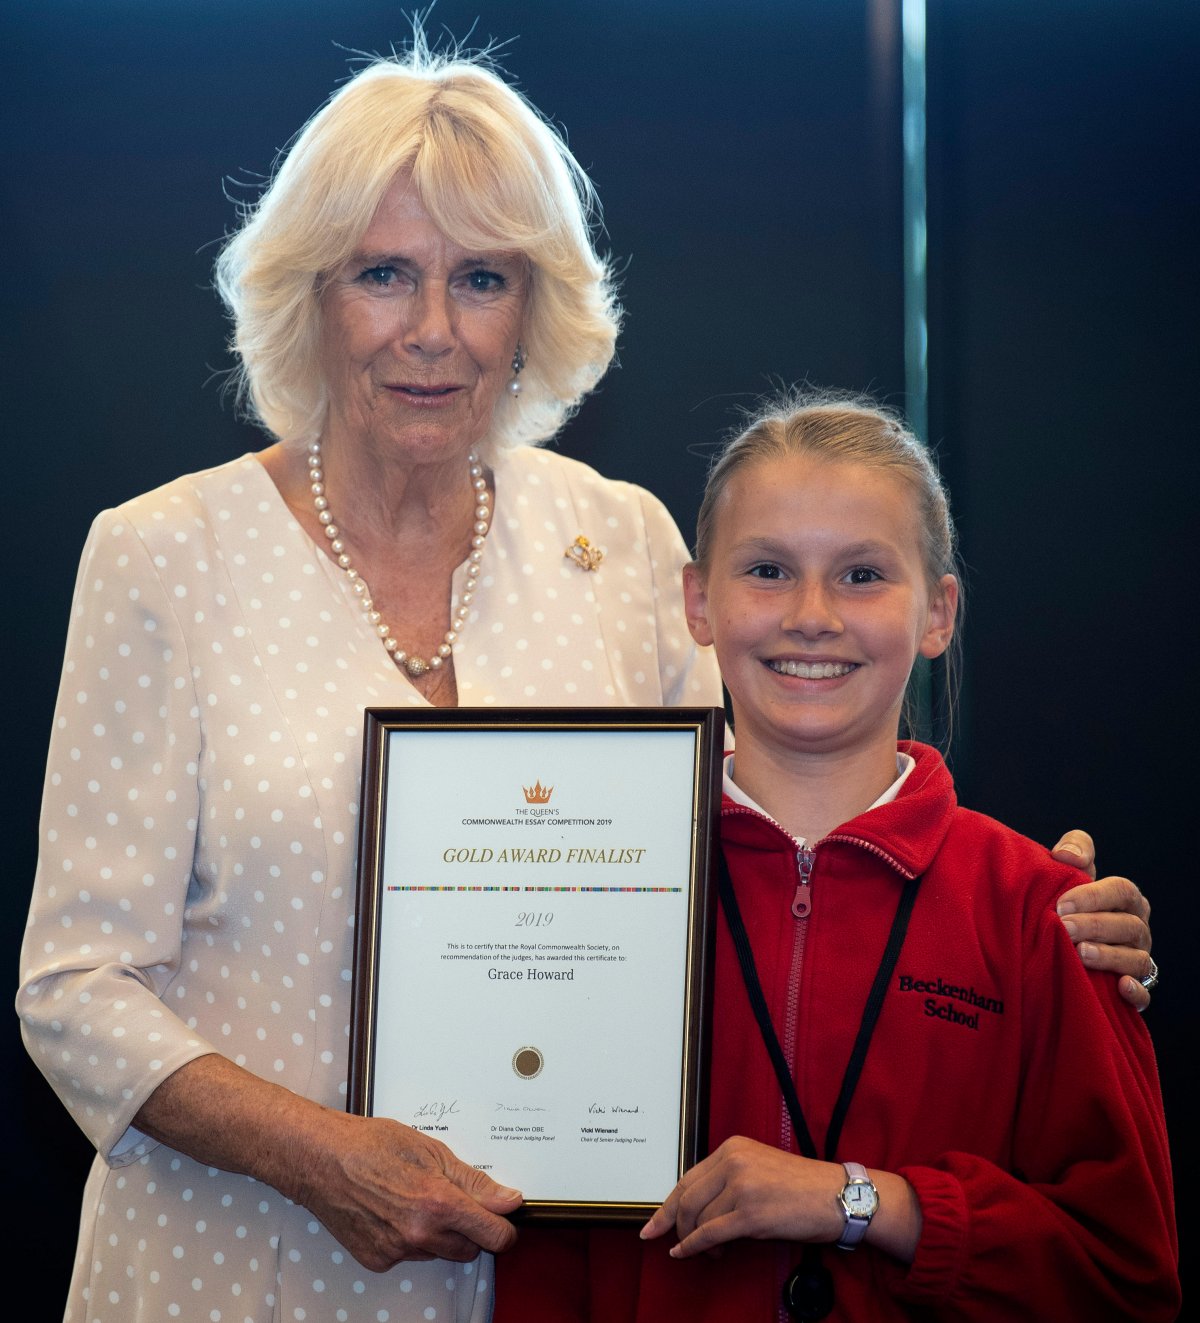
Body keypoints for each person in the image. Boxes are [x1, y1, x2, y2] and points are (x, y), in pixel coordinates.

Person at [15, 44, 1153, 1323]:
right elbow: (74, 990)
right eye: (385, 274)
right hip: (231, 1268)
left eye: (482, 279)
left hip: (551, 1286)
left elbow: (770, 842)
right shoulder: (165, 555)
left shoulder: (621, 542)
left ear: (534, 308)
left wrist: (1026, 912)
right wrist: (320, 1154)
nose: (433, 329)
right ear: (311, 295)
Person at [629, 396, 1176, 1319]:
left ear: (938, 612)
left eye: (862, 575)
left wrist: (869, 1202)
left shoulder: (1045, 912)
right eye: (767, 569)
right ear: (698, 603)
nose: (811, 616)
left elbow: (1127, 1276)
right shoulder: (609, 880)